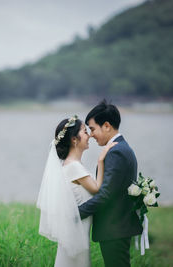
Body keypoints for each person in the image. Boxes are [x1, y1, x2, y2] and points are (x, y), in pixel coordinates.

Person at [37, 115, 117, 267]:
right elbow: (97, 189)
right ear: (74, 139)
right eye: (85, 132)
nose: (89, 135)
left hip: (77, 233)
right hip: (75, 236)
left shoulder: (71, 165)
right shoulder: (74, 166)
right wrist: (101, 160)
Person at [78, 100, 143, 267]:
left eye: (92, 129)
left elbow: (106, 195)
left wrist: (75, 214)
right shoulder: (120, 148)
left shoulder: (116, 152)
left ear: (106, 126)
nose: (91, 135)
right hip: (116, 228)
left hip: (114, 229)